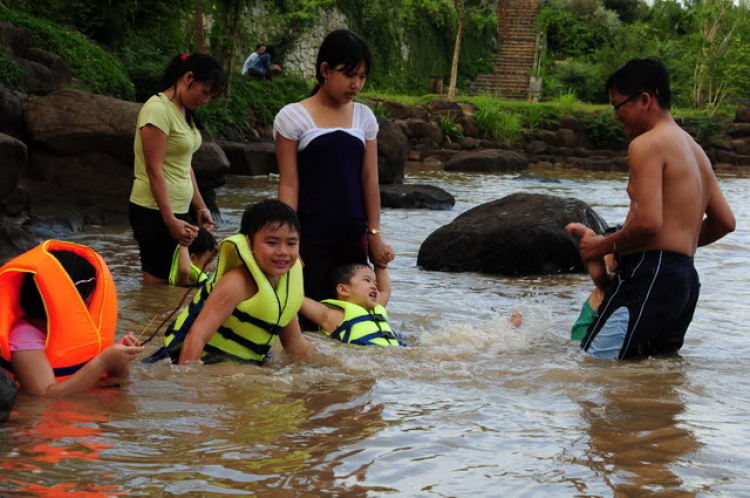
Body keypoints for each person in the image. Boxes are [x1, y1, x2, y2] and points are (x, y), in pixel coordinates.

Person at [575, 57, 736, 359]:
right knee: (653, 378)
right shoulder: (696, 151)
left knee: (595, 369)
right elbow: (725, 222)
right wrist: (677, 244)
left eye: (618, 105)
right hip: (685, 279)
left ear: (645, 99)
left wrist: (600, 246)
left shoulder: (646, 144)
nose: (615, 115)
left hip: (650, 274)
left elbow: (648, 223)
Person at [275, 29, 393, 305]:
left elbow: (369, 179)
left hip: (352, 239)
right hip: (310, 239)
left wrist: (374, 234)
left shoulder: (364, 117)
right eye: (350, 75)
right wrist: (288, 242)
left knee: (356, 322)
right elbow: (289, 184)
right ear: (325, 69)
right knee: (306, 318)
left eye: (362, 77)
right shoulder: (293, 117)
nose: (356, 84)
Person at [144, 200, 311, 365]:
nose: (283, 252)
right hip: (210, 360)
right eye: (271, 243)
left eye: (291, 243)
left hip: (248, 363)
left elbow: (294, 345)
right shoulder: (236, 282)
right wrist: (187, 384)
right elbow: (197, 336)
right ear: (249, 243)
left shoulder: (285, 286)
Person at [129, 53, 227, 285]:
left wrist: (200, 206)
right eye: (205, 92)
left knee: (176, 281)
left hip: (177, 211)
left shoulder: (184, 112)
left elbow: (185, 166)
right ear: (188, 77)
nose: (206, 100)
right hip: (154, 210)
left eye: (211, 96)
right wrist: (169, 219)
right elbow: (154, 170)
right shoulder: (157, 110)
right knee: (157, 286)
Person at [0, 241, 143, 397]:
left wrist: (120, 361)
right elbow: (43, 396)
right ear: (74, 301)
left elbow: (117, 383)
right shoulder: (24, 337)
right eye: (90, 297)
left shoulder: (79, 332)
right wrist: (103, 362)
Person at [300, 258, 407, 347]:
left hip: (395, 355)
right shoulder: (334, 315)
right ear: (343, 290)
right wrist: (295, 268)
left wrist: (381, 265)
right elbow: (298, 299)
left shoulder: (377, 307)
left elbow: (385, 291)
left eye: (375, 283)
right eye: (366, 280)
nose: (374, 286)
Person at [566, 224, 619, 341]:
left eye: (606, 253)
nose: (603, 257)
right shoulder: (610, 283)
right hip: (580, 346)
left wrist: (589, 234)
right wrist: (589, 235)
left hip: (581, 348)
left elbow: (596, 267)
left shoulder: (610, 283)